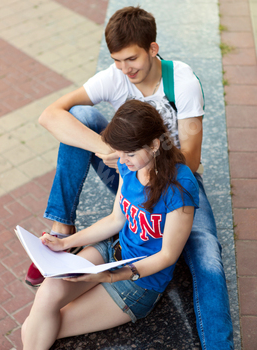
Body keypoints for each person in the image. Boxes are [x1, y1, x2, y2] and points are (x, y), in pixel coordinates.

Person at [25, 6, 234, 349]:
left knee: (208, 257)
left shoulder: (181, 83)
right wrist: (114, 152)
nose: (124, 70)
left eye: (131, 59)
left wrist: (146, 155)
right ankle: (62, 227)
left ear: (152, 48)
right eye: (117, 61)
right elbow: (51, 116)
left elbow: (191, 161)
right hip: (135, 166)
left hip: (170, 175)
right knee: (79, 117)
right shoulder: (117, 82)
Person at [21, 100, 199, 350]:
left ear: (155, 145)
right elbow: (116, 219)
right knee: (47, 294)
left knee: (34, 327)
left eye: (130, 153)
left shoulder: (180, 187)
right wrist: (65, 242)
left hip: (139, 282)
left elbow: (168, 255)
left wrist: (113, 276)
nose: (122, 161)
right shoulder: (130, 167)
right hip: (111, 251)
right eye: (121, 153)